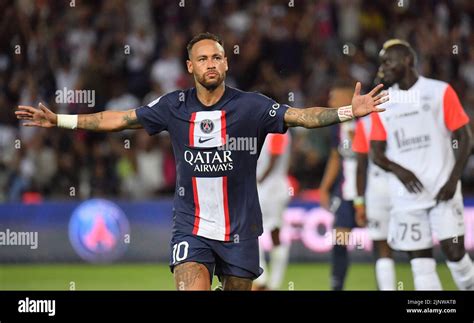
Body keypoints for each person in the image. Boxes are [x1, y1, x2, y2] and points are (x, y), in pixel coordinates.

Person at [15, 32, 387, 291]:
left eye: (217, 57)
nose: (211, 63)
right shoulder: (173, 106)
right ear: (190, 66)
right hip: (191, 228)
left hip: (240, 228)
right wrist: (59, 120)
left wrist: (346, 112)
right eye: (203, 58)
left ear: (226, 64)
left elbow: (303, 116)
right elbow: (119, 119)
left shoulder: (251, 106)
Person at [370, 39, 474, 290]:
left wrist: (453, 180)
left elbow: (465, 138)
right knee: (420, 261)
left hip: (443, 189)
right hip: (407, 196)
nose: (382, 68)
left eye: (388, 61)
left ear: (407, 61)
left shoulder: (439, 91)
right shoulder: (382, 103)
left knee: (455, 252)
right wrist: (399, 170)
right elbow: (376, 153)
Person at [319, 82, 363, 290]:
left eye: (334, 97)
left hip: (370, 191)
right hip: (345, 193)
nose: (330, 102)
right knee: (340, 239)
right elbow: (336, 156)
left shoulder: (368, 121)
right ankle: (337, 287)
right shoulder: (337, 126)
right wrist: (324, 187)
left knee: (384, 240)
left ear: (348, 97)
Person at [352, 114, 396, 290]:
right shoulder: (405, 113)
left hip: (377, 191)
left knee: (383, 248)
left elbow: (361, 167)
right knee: (416, 249)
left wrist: (359, 203)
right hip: (406, 189)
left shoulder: (365, 123)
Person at [253, 132, 291, 290]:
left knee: (254, 230)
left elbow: (275, 156)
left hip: (269, 188)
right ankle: (270, 281)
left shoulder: (276, 129)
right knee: (274, 233)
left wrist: (260, 177)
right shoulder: (277, 129)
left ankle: (264, 281)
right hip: (275, 187)